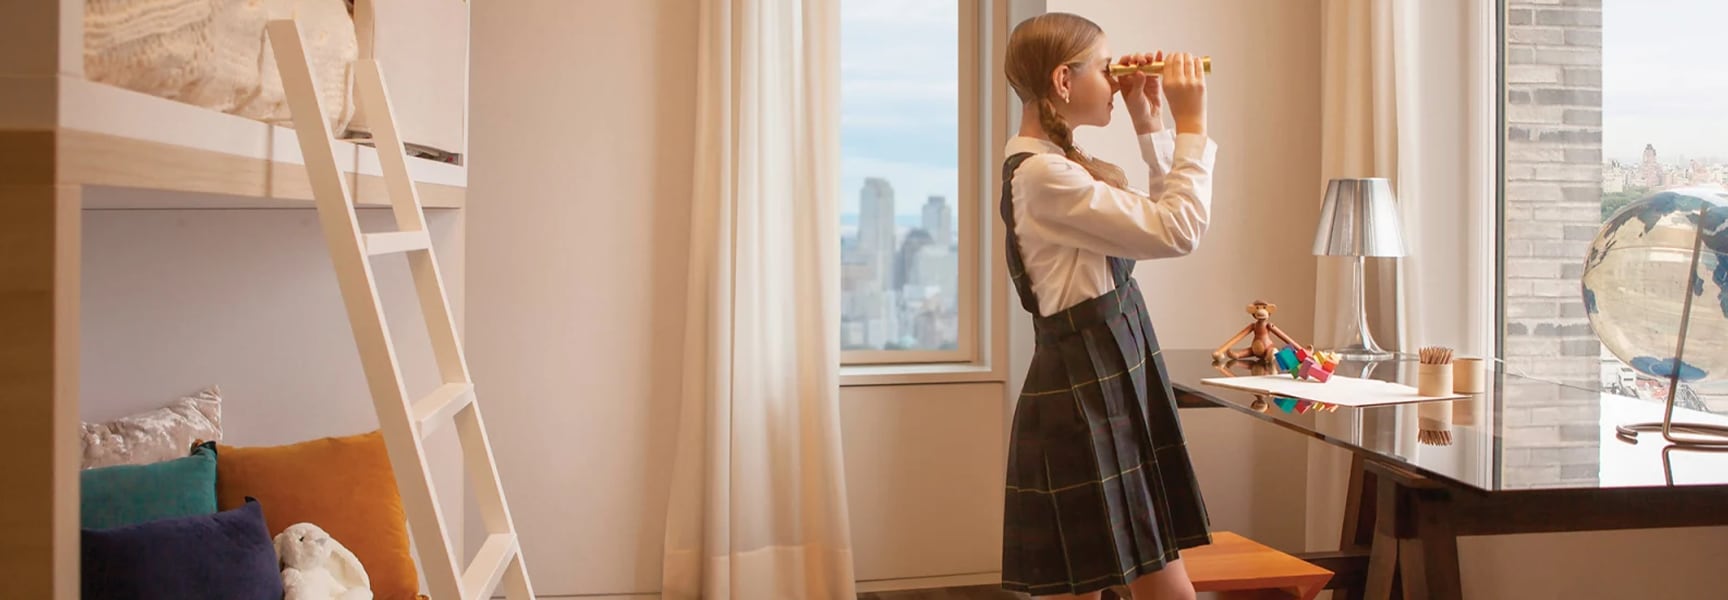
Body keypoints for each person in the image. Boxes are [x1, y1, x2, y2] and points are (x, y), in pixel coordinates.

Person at [998, 12, 1216, 600]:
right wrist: (1192, 121)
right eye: (1104, 67)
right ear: (1064, 83)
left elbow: (1160, 218)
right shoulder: (1044, 175)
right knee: (1121, 581)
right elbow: (1179, 230)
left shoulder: (1059, 168)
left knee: (1136, 573)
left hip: (1106, 382)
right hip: (1085, 394)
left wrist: (1151, 122)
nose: (1116, 81)